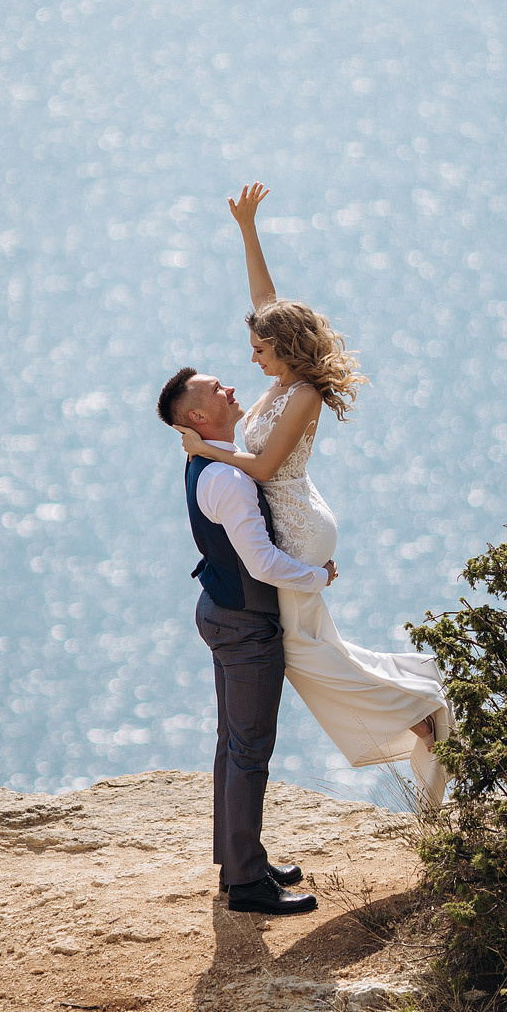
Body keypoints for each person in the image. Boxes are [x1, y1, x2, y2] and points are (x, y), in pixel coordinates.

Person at [175, 183, 452, 807]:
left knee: (300, 656)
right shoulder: (289, 377)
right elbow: (265, 302)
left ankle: (422, 713)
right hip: (298, 517)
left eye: (261, 350)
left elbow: (267, 466)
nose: (252, 358)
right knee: (316, 647)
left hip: (297, 524)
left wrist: (207, 449)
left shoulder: (302, 395)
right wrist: (247, 228)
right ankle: (418, 704)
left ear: (287, 351)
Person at [157, 368, 337, 916]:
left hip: (221, 612)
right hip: (243, 625)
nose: (230, 389)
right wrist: (319, 576)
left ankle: (240, 862)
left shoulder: (206, 461)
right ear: (197, 417)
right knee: (249, 750)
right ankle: (246, 883)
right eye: (216, 390)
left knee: (231, 744)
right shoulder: (229, 480)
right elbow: (261, 562)